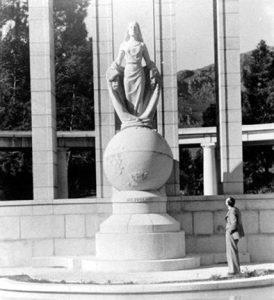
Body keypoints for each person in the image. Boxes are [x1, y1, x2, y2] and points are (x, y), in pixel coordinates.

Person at [106, 21, 161, 128]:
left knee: (139, 99)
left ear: (138, 30)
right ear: (128, 30)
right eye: (131, 27)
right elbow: (118, 62)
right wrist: (111, 70)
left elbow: (148, 62)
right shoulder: (124, 45)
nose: (133, 29)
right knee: (129, 98)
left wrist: (154, 71)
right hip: (128, 73)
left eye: (135, 27)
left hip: (139, 73)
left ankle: (139, 121)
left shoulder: (142, 45)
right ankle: (131, 122)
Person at [225, 197, 245, 275]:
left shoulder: (232, 211)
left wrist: (229, 231)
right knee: (233, 251)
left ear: (227, 203)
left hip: (232, 233)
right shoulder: (235, 209)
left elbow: (234, 222)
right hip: (234, 233)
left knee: (231, 251)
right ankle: (235, 270)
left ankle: (233, 270)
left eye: (226, 200)